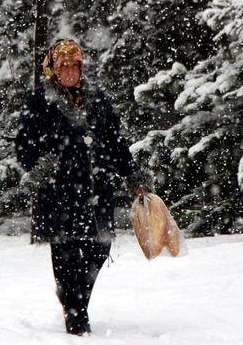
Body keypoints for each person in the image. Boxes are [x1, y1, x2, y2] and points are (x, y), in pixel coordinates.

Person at [16, 38, 149, 336]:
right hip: (58, 193)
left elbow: (116, 142)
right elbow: (24, 147)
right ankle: (76, 317)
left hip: (95, 190)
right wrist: (44, 162)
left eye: (75, 66)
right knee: (66, 253)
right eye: (64, 67)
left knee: (99, 249)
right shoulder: (39, 102)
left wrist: (133, 177)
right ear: (53, 69)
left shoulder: (97, 100)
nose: (71, 72)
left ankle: (77, 302)